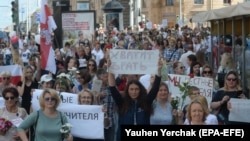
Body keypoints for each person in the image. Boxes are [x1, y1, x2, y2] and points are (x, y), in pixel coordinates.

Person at [108, 58, 162, 141]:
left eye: (136, 89)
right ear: (127, 90)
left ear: (140, 90)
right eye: (131, 89)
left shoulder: (146, 101)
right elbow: (112, 88)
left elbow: (155, 87)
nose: (134, 92)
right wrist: (110, 69)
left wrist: (158, 69)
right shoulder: (122, 102)